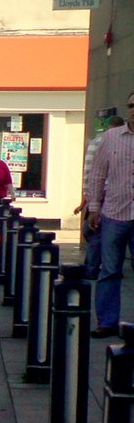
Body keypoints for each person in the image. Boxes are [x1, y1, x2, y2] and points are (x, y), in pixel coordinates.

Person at [86, 92, 134, 338]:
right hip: (115, 212)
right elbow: (97, 175)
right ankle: (107, 322)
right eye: (131, 105)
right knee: (110, 270)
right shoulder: (111, 138)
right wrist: (94, 208)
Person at [73, 115, 126, 278]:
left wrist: (87, 196)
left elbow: (88, 171)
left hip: (99, 195)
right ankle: (96, 267)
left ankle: (94, 266)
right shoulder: (110, 142)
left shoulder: (96, 142)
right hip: (110, 196)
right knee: (100, 233)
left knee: (96, 232)